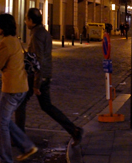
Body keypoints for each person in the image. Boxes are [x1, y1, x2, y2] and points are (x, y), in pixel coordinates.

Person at [15, 8, 83, 145]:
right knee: (47, 106)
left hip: (37, 76)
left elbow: (38, 59)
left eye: (26, 19)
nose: (25, 22)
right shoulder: (44, 33)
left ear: (31, 21)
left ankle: (19, 137)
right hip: (44, 74)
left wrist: (36, 84)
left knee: (20, 102)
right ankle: (74, 130)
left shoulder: (37, 35)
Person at [0, 13, 37, 163]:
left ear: (2, 27)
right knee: (6, 120)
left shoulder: (5, 43)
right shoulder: (15, 40)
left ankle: (5, 159)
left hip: (11, 88)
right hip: (21, 86)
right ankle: (27, 146)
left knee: (2, 123)